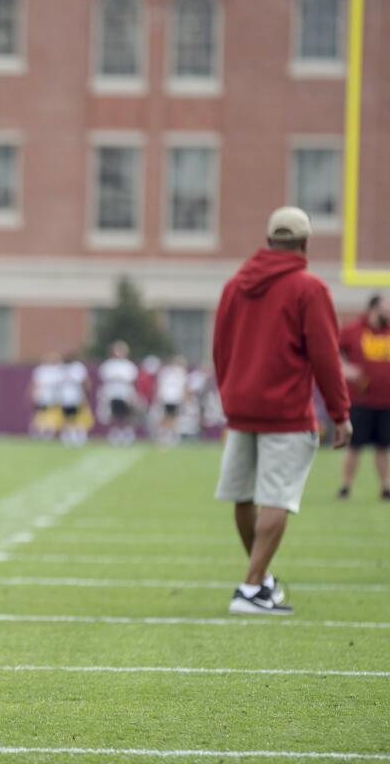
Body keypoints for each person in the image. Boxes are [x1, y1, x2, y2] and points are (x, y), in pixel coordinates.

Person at [212, 206, 350, 616]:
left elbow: (220, 347)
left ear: (268, 239)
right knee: (277, 496)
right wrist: (340, 413)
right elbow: (325, 356)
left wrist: (229, 393)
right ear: (305, 243)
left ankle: (261, 581)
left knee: (243, 493)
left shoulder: (236, 284)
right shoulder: (309, 287)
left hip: (241, 405)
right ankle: (251, 587)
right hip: (286, 410)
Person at [337, 293, 390, 500]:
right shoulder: (353, 330)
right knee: (354, 446)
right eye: (384, 310)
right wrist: (346, 369)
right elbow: (333, 352)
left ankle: (385, 486)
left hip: (386, 401)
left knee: (383, 447)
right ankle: (346, 486)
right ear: (372, 309)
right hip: (361, 400)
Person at [97, 340, 138, 445]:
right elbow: (105, 377)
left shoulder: (129, 365)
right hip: (112, 393)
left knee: (126, 415)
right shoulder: (108, 365)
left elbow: (131, 380)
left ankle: (127, 434)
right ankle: (115, 434)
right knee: (114, 414)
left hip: (124, 393)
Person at [57, 352, 91, 447]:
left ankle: (79, 435)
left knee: (78, 416)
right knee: (66, 416)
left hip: (77, 396)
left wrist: (84, 393)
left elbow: (85, 381)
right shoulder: (61, 368)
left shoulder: (78, 368)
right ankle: (68, 435)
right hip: (64, 397)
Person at [155, 355, 189, 445]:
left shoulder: (169, 372)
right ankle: (166, 436)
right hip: (171, 398)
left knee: (171, 417)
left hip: (172, 398)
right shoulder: (176, 372)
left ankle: (167, 435)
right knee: (170, 417)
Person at [28, 352, 63, 439]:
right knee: (42, 414)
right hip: (42, 397)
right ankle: (40, 431)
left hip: (53, 398)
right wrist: (33, 395)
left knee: (52, 415)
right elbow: (35, 384)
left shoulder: (57, 371)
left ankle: (49, 432)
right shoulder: (41, 370)